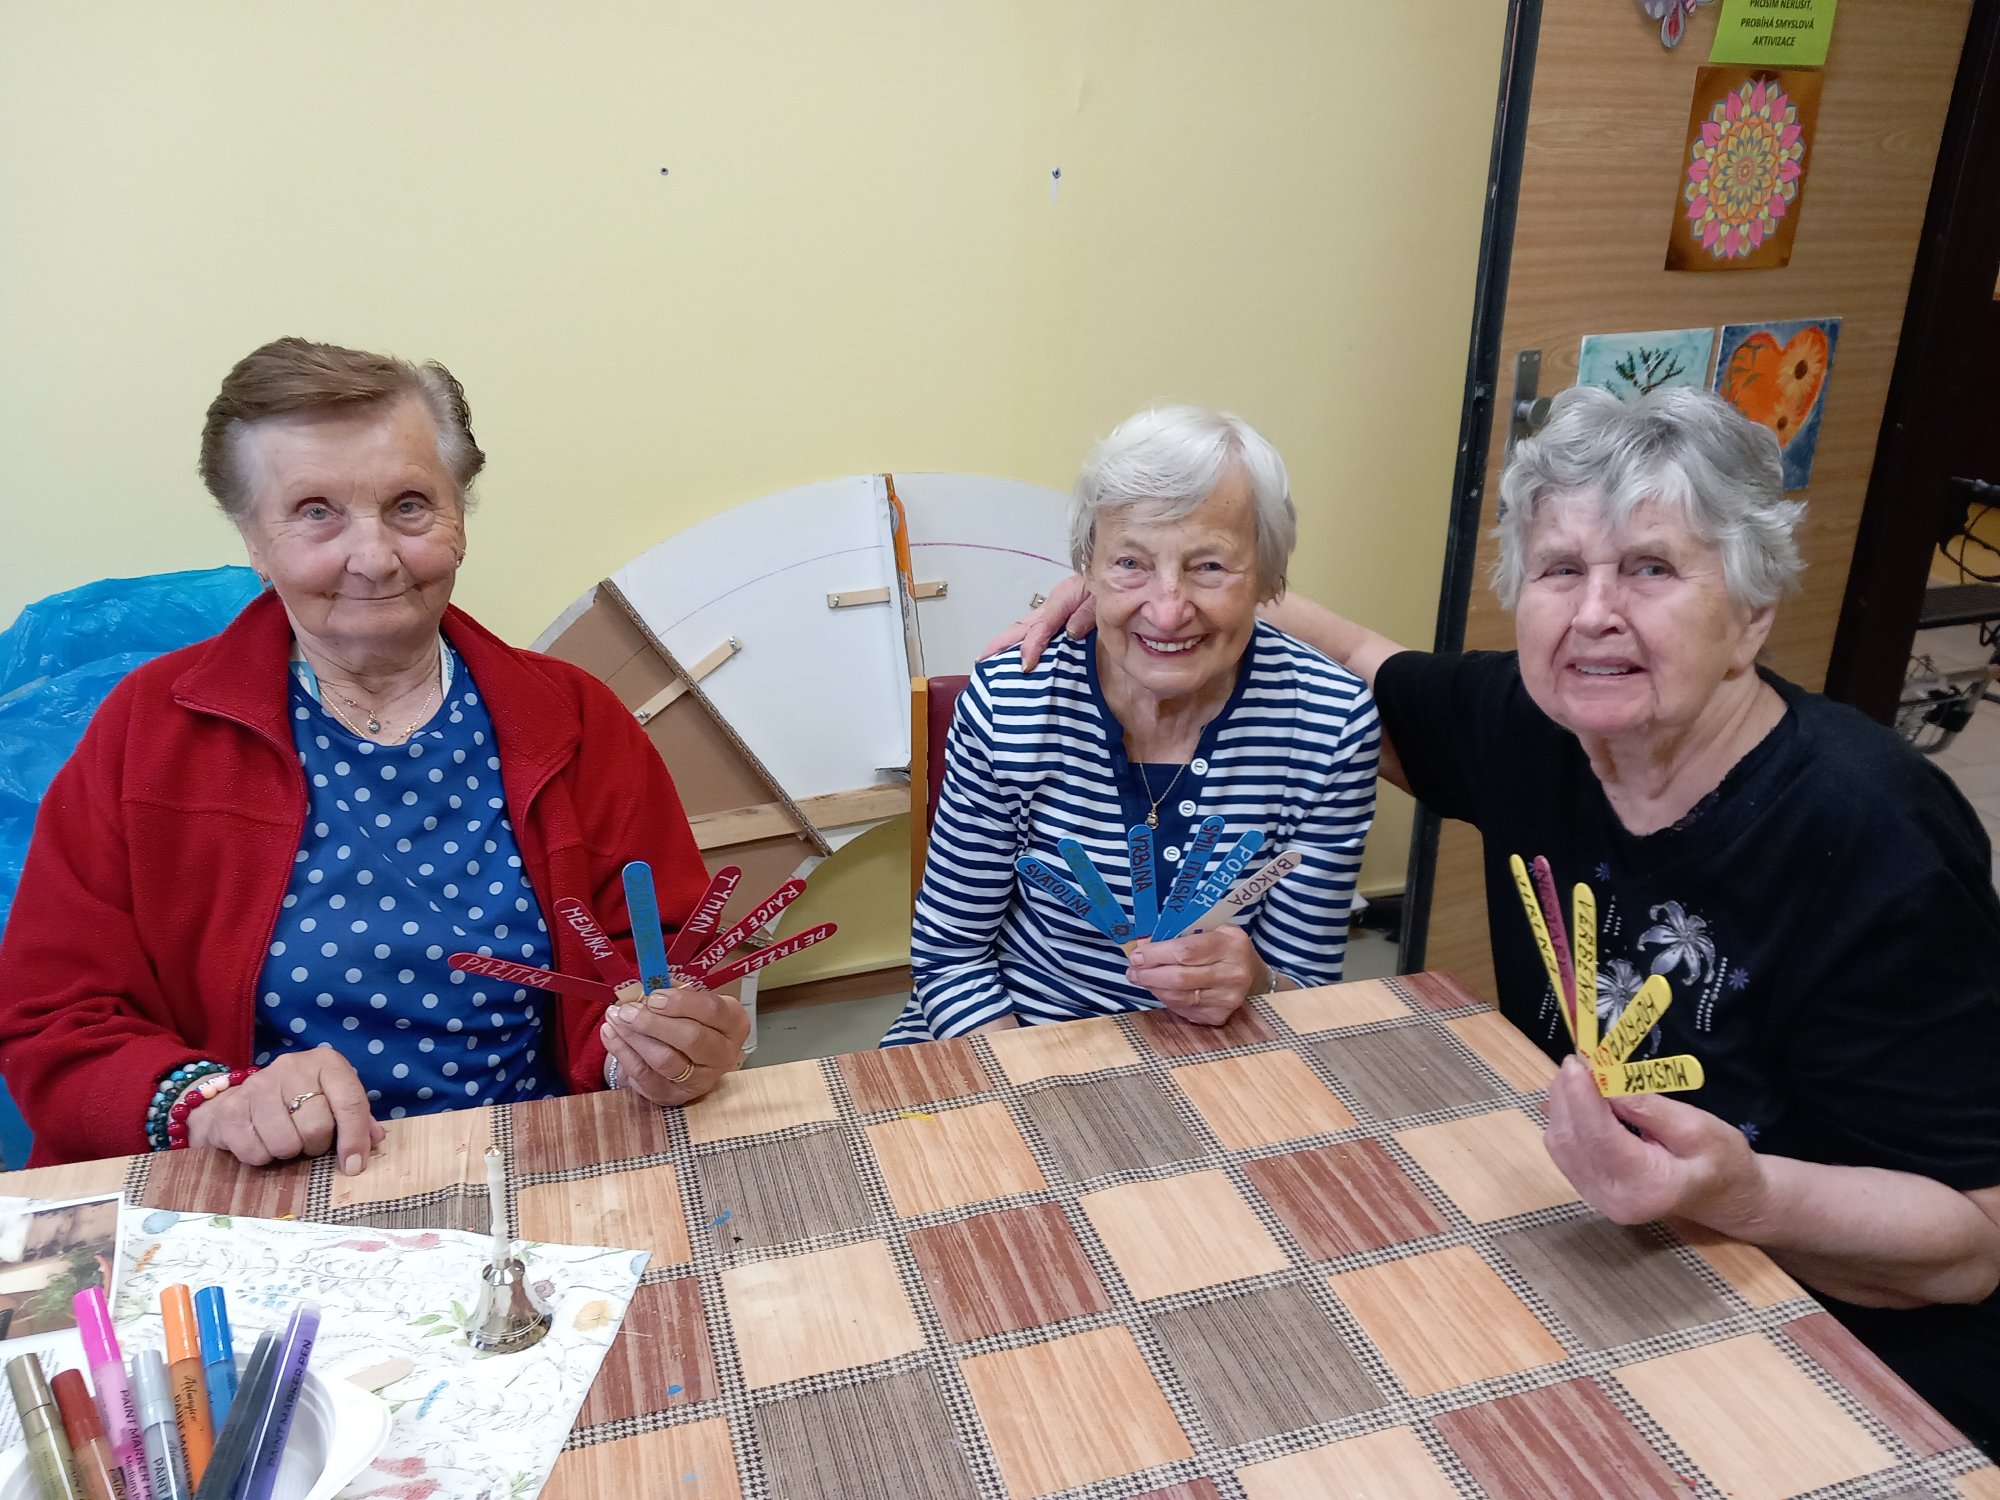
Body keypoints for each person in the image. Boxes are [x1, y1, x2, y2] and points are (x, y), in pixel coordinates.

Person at [1005, 385, 2000, 1454]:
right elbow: (1356, 657)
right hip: (1602, 1248)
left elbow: (1974, 1242)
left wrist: (1745, 1195)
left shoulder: (1873, 832)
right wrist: (1143, 593)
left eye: (1651, 569)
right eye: (1560, 570)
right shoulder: (1532, 726)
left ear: (1752, 611)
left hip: (1846, 1338)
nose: (1594, 613)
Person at [0, 338, 750, 1172]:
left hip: (532, 1161)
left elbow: (662, 951)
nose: (375, 557)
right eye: (316, 511)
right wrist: (214, 1102)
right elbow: (52, 1018)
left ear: (459, 515)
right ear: (253, 539)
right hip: (259, 1184)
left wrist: (659, 1047)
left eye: (410, 505)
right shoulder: (149, 729)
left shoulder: (572, 718)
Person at [887, 405, 1378, 1045]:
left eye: (1209, 566)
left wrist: (1259, 981)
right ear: (1086, 570)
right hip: (1014, 1031)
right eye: (1130, 563)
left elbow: (1307, 989)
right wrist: (1023, 1079)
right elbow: (951, 956)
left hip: (1224, 1043)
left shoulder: (1329, 723)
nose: (1167, 612)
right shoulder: (1014, 703)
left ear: (1268, 578)